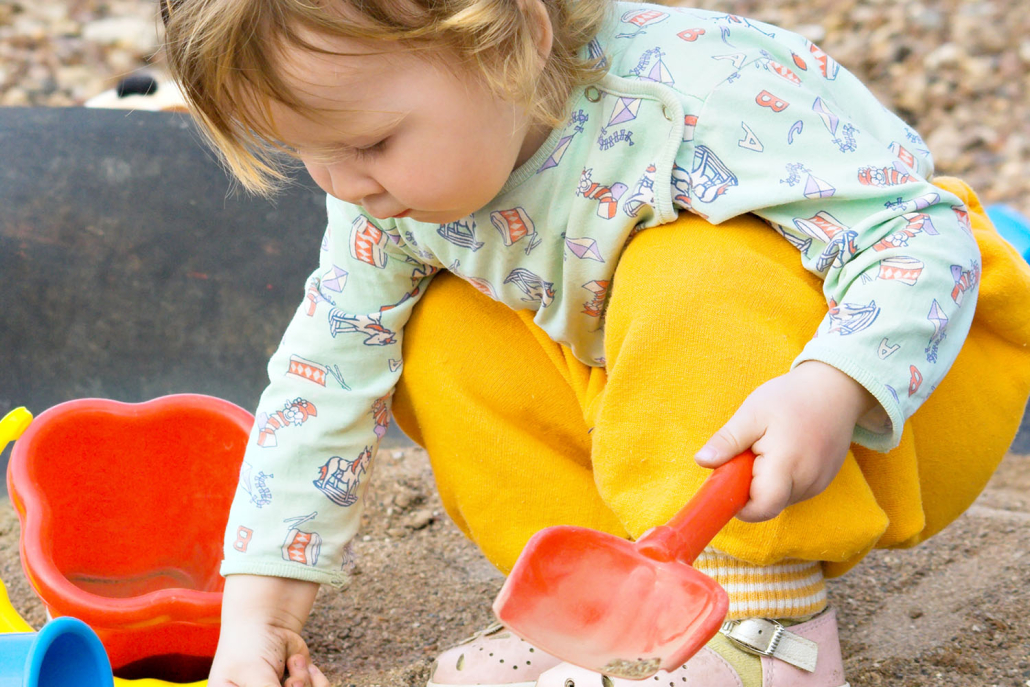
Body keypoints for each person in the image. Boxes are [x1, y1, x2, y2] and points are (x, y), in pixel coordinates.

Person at [160, 1, 1030, 686]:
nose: (345, 184)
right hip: (672, 418)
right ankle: (613, 611)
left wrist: (836, 381)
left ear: (517, 42)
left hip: (895, 388)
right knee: (435, 338)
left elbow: (923, 238)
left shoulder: (698, 96)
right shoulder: (382, 201)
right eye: (307, 153)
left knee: (689, 263)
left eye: (370, 142)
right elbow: (324, 378)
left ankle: (761, 631)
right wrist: (260, 619)